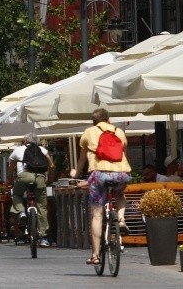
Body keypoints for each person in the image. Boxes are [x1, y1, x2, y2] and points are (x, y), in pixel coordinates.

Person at [70, 108, 131, 266]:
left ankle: (96, 255)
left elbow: (83, 158)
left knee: (97, 214)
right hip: (122, 173)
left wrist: (75, 173)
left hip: (99, 174)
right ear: (108, 119)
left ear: (93, 121)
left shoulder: (89, 132)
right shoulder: (119, 131)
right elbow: (123, 152)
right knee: (119, 195)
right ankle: (122, 220)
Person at [8, 132, 54, 247]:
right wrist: (50, 179)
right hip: (39, 177)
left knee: (16, 195)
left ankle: (22, 212)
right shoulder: (42, 150)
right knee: (41, 206)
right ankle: (43, 237)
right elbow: (52, 166)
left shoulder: (18, 150)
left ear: (25, 141)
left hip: (24, 176)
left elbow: (11, 168)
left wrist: (9, 180)